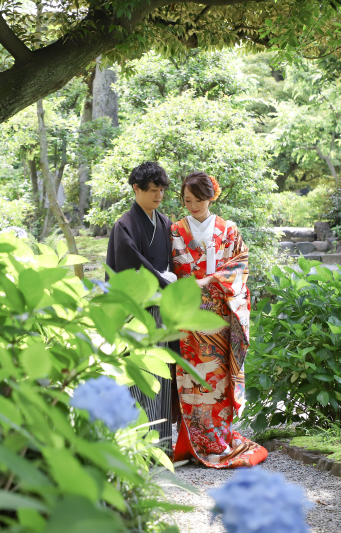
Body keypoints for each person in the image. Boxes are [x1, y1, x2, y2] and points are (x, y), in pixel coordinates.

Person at [171, 171, 268, 468]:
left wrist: (209, 280)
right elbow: (173, 266)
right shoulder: (176, 229)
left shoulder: (228, 229)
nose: (193, 206)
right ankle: (194, 442)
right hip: (189, 316)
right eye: (187, 200)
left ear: (211, 197)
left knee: (218, 379)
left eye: (199, 199)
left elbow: (240, 264)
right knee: (192, 378)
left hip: (220, 314)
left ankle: (219, 440)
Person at [105, 161, 178, 452]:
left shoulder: (165, 224)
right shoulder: (124, 224)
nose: (158, 195)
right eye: (152, 190)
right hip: (136, 310)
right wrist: (162, 279)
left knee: (161, 372)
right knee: (137, 374)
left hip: (162, 308)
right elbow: (130, 262)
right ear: (136, 189)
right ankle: (135, 446)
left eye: (161, 190)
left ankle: (161, 446)